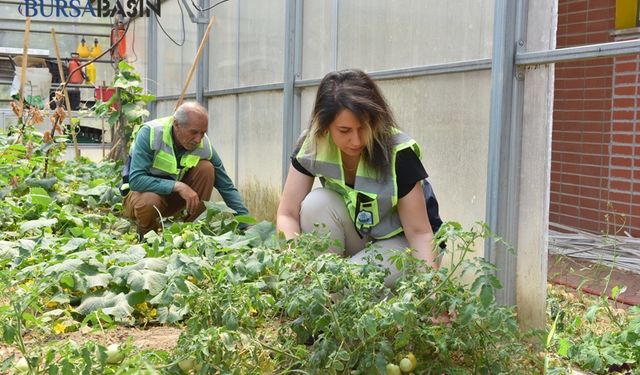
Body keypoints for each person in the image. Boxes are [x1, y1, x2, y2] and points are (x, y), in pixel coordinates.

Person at [277, 69, 442, 287]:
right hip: (363, 236)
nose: (356, 140)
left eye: (363, 127)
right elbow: (287, 214)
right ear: (325, 126)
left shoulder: (398, 152)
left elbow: (420, 233)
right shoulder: (313, 145)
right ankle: (331, 290)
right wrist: (295, 262)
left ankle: (339, 290)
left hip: (404, 244)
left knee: (346, 281)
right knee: (317, 203)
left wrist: (432, 290)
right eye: (344, 130)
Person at [122, 101, 248, 237]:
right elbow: (136, 180)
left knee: (207, 169)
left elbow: (226, 186)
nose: (199, 139)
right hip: (139, 199)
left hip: (170, 201)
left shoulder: (203, 144)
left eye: (203, 132)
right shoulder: (150, 133)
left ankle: (190, 233)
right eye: (194, 132)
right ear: (176, 125)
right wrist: (179, 186)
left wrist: (246, 225)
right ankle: (148, 237)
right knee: (149, 200)